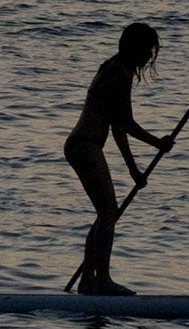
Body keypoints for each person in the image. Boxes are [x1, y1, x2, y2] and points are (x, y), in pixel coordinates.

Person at [63, 22, 171, 295]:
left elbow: (117, 127)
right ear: (135, 48)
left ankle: (89, 280)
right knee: (108, 213)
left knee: (104, 214)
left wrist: (133, 169)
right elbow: (128, 124)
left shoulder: (111, 67)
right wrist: (159, 142)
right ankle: (102, 280)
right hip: (85, 145)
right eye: (147, 49)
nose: (149, 56)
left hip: (82, 146)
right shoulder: (120, 73)